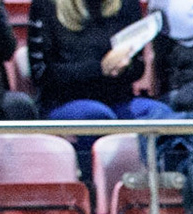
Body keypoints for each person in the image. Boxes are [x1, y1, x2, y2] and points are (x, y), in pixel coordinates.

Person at [26, 0, 176, 123]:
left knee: (162, 114)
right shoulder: (45, 4)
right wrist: (101, 68)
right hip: (63, 103)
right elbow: (42, 75)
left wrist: (124, 66)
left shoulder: (127, 3)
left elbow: (138, 67)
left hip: (118, 101)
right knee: (97, 115)